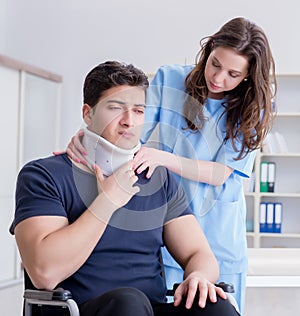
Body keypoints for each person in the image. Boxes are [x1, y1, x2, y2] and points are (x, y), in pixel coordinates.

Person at [65, 17, 277, 315]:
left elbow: (221, 174)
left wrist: (164, 158)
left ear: (247, 76)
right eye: (215, 64)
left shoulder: (255, 106)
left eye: (233, 74)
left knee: (213, 306)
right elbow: (130, 127)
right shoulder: (170, 80)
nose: (219, 78)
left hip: (217, 230)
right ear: (210, 48)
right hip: (167, 219)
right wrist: (87, 134)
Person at [10, 61, 239, 316]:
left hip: (148, 309)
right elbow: (45, 273)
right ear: (87, 114)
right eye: (116, 108)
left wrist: (198, 275)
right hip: (80, 311)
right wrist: (108, 200)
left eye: (139, 111)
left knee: (216, 308)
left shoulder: (157, 177)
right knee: (128, 303)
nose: (129, 121)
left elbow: (199, 253)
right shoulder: (44, 175)